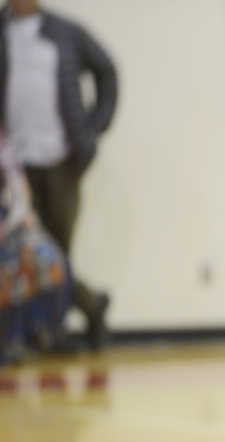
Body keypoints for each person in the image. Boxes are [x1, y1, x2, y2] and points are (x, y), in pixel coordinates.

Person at [0, 0, 117, 351]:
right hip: (13, 163)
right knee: (23, 252)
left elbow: (107, 72)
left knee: (56, 255)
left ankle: (56, 330)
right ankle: (85, 308)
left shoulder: (66, 33)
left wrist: (93, 128)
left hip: (61, 162)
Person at [0, 129, 70, 363]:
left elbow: (19, 191)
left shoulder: (4, 147)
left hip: (9, 225)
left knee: (50, 259)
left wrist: (17, 220)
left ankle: (43, 332)